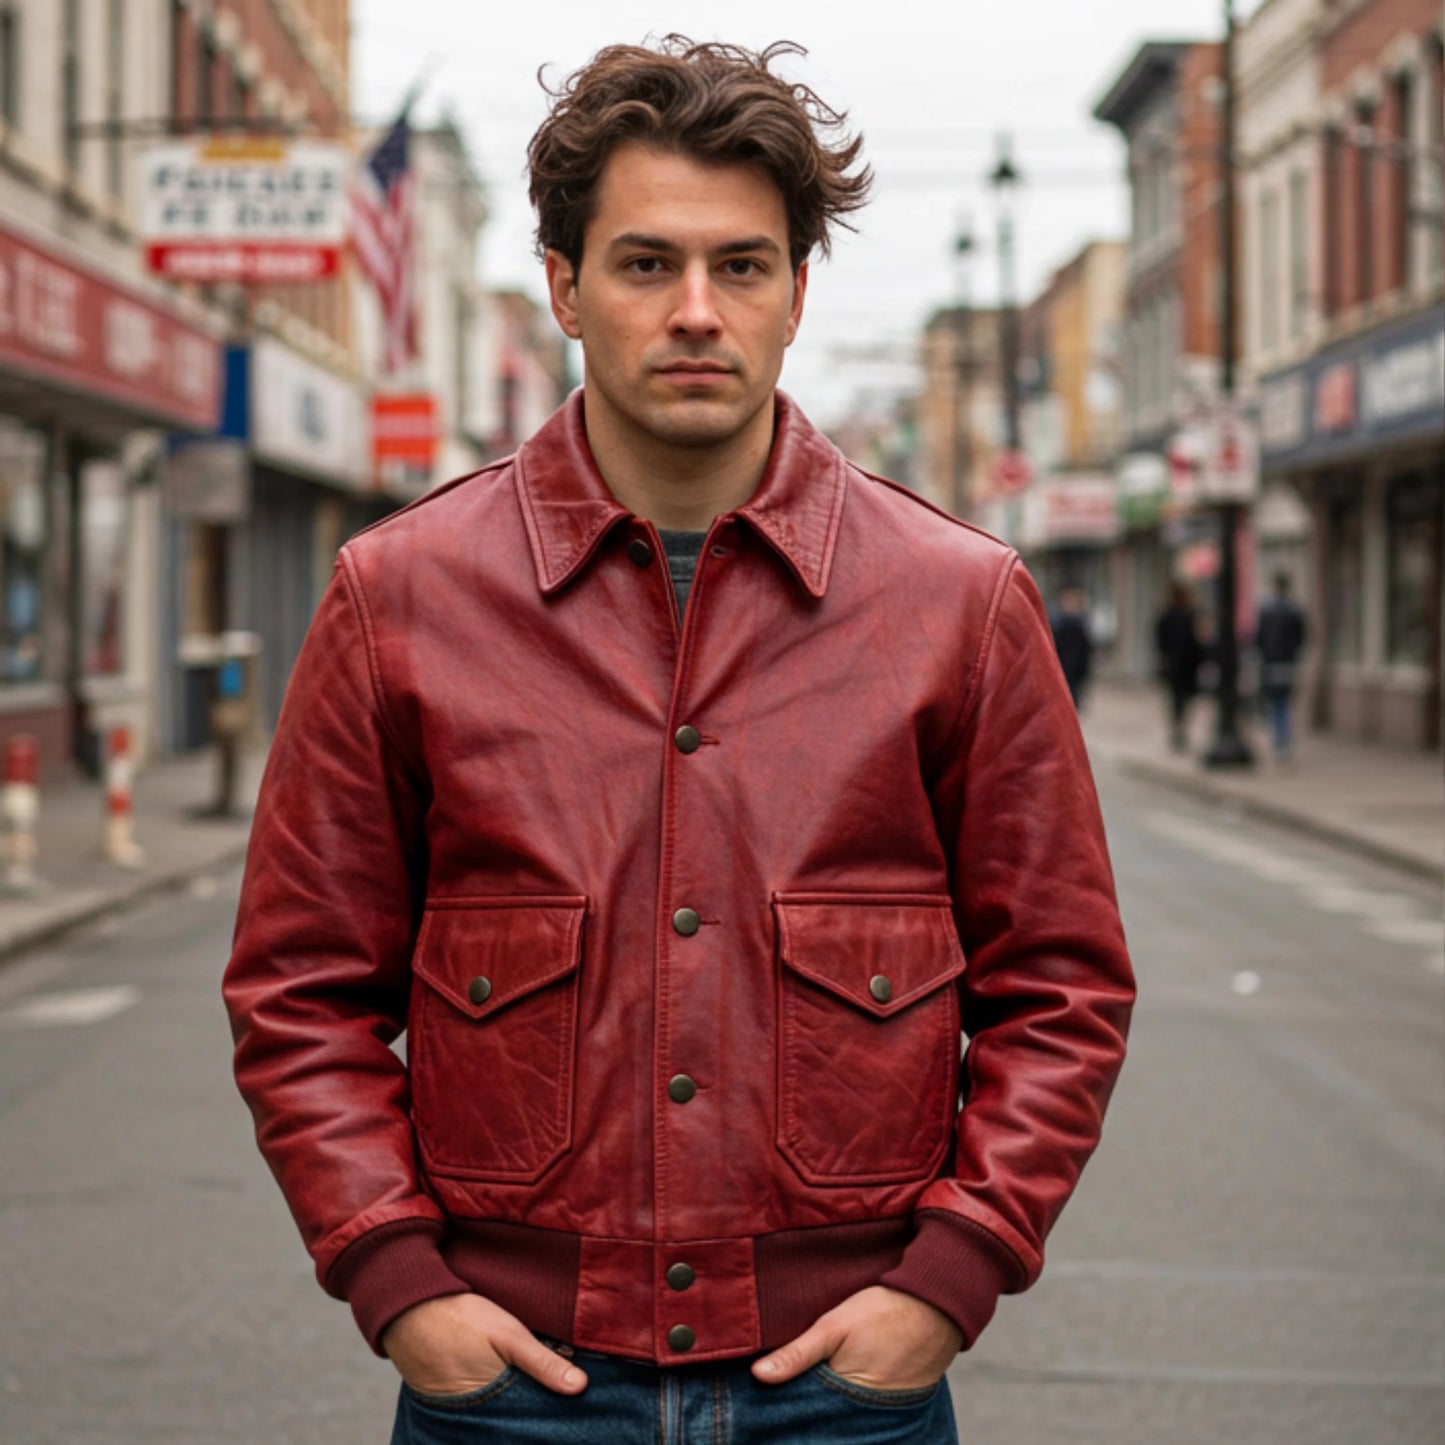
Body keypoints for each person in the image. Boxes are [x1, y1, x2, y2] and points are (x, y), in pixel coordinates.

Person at [223, 36, 1134, 1445]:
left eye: (742, 267)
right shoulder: (396, 597)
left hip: (847, 1396)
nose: (697, 310)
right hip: (511, 1395)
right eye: (647, 264)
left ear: (796, 296)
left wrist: (946, 1285)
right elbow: (297, 989)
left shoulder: (961, 603)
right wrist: (398, 1286)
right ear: (564, 290)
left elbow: (1062, 986)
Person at [1255, 570, 1308, 763]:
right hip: (1288, 662)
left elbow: (1258, 638)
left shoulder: (1267, 610)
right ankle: (1283, 738)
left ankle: (1280, 740)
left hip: (1271, 662)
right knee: (1283, 702)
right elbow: (1302, 636)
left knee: (1275, 702)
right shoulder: (1294, 610)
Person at [1155, 582, 1203, 752]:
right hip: (1187, 666)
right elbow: (1196, 641)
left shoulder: (1168, 615)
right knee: (1185, 699)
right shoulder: (1188, 615)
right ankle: (1180, 728)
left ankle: (1178, 728)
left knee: (1177, 699)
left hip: (1175, 665)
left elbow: (1159, 639)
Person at [1049, 585, 1094, 710]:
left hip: (1075, 671)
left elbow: (1086, 650)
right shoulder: (1057, 623)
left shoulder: (1081, 624)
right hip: (1061, 670)